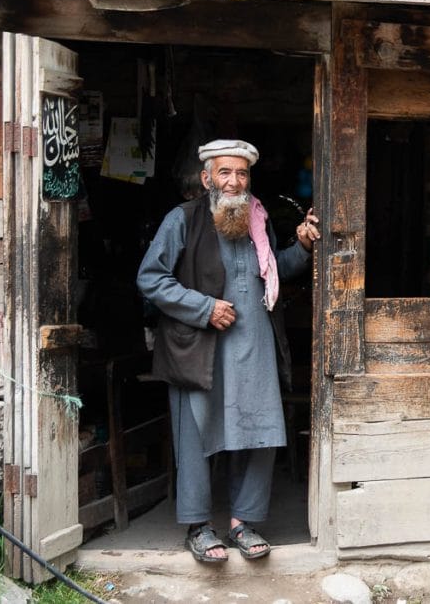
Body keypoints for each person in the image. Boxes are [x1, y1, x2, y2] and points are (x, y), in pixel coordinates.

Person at [136, 139, 320, 562]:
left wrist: (304, 246)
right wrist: (204, 307)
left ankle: (243, 522)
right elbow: (151, 278)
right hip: (199, 348)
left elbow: (273, 270)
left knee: (258, 432)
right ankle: (199, 527)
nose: (235, 182)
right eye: (225, 173)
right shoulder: (181, 220)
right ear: (207, 179)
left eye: (242, 173)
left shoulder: (258, 219)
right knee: (197, 434)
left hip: (253, 346)